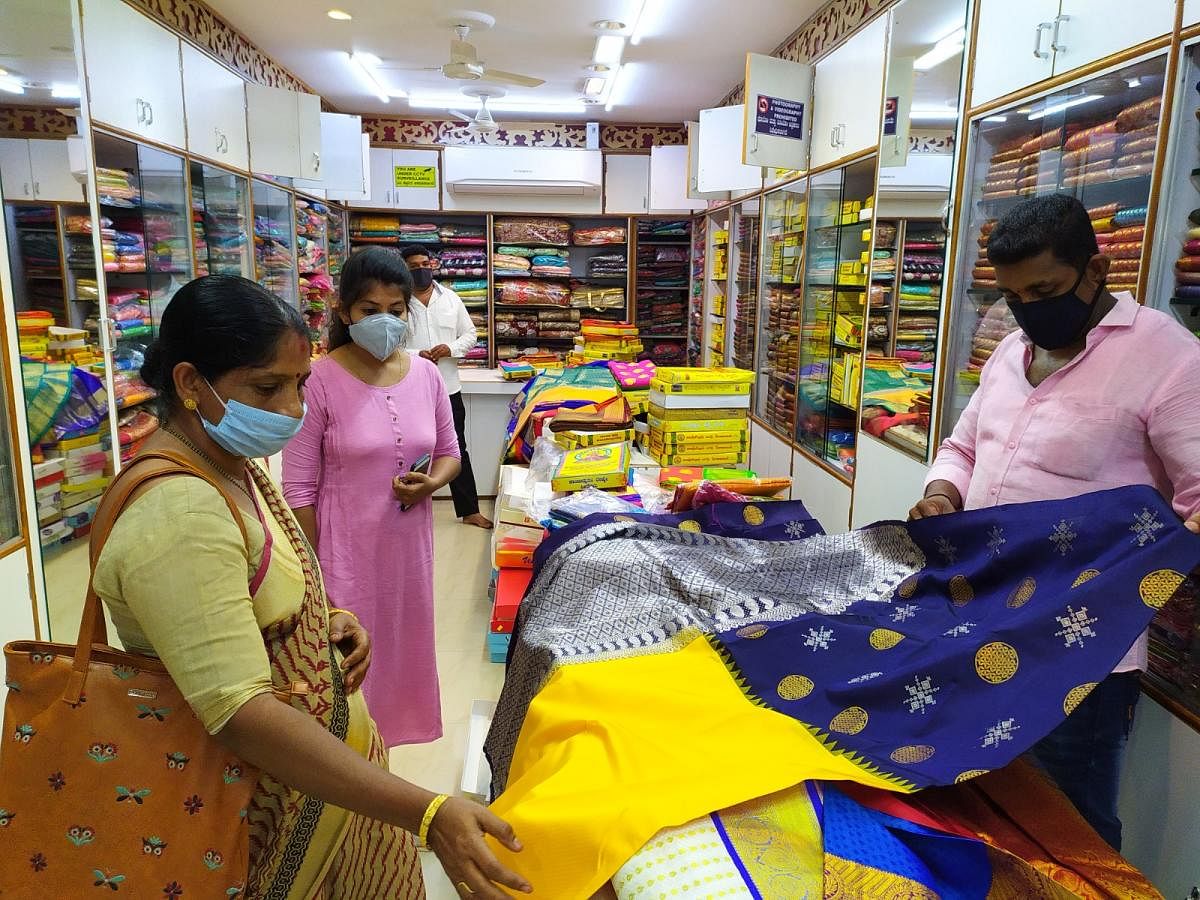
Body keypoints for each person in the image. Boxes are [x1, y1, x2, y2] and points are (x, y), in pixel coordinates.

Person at [93, 274, 530, 899]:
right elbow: (240, 713)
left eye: (298, 385)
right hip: (248, 810)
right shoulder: (182, 512)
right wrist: (426, 815)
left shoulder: (225, 470)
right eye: (267, 387)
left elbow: (248, 592)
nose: (293, 409)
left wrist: (318, 617)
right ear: (191, 384)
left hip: (311, 794)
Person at [909, 194, 1200, 850]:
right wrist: (942, 494)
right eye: (1011, 295)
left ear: (1095, 272)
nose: (1026, 309)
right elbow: (963, 445)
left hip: (1081, 644)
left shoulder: (1169, 360)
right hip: (978, 609)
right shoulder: (1012, 350)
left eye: (1042, 290)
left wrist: (1137, 577)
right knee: (982, 794)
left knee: (1066, 824)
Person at [284, 247, 460, 748]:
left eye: (396, 311)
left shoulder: (425, 375)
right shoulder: (316, 380)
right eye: (369, 311)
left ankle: (386, 775)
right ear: (344, 312)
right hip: (345, 561)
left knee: (400, 663)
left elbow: (450, 452)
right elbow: (297, 488)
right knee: (351, 680)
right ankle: (351, 784)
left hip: (408, 557)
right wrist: (313, 578)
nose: (384, 321)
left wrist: (433, 482)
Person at [399, 244, 493, 530]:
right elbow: (391, 343)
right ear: (404, 269)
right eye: (414, 266)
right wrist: (418, 354)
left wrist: (450, 348)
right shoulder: (398, 303)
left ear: (433, 264)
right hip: (409, 387)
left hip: (448, 388)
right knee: (407, 447)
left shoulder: (450, 299)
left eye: (425, 264)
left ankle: (469, 510)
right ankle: (405, 504)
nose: (421, 270)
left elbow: (471, 334)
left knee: (457, 448)